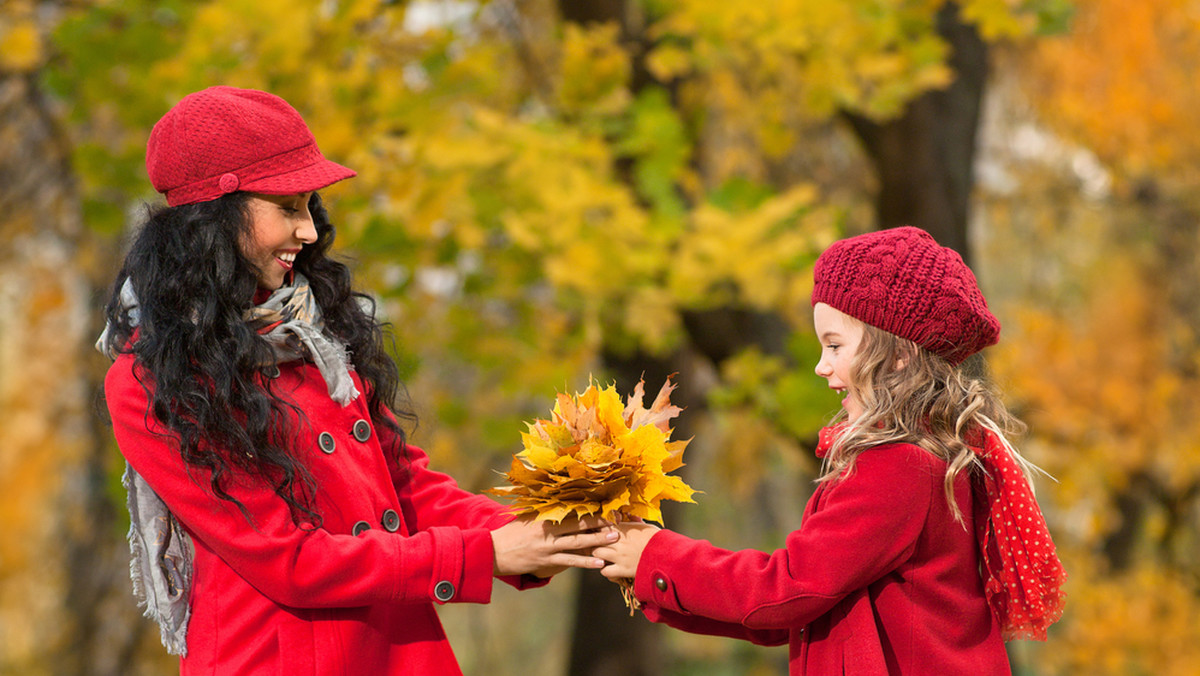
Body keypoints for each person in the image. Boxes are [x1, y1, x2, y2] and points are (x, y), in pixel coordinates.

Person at [97, 86, 613, 674]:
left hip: (398, 649)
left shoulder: (313, 331)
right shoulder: (151, 382)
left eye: (310, 207)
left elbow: (402, 486)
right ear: (213, 218)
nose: (310, 230)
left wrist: (528, 536)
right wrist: (485, 553)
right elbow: (289, 561)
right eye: (288, 207)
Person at [594, 227, 1067, 674]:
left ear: (900, 353)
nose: (822, 366)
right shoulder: (926, 455)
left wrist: (658, 558)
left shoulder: (899, 464)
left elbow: (790, 587)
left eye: (835, 345)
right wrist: (650, 575)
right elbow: (792, 612)